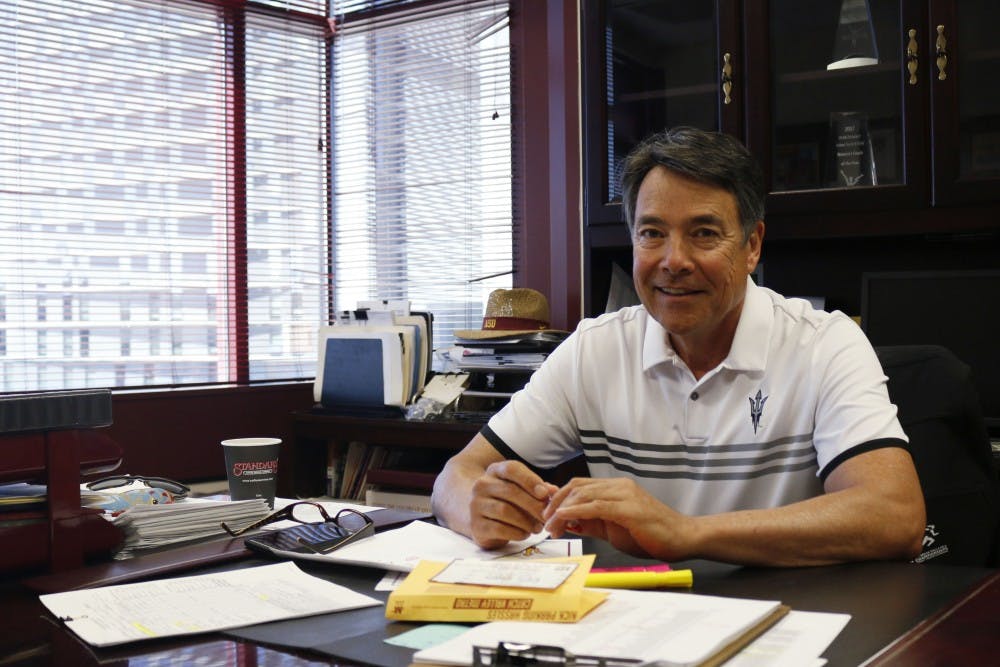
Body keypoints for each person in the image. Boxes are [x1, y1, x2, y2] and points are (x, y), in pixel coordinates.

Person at [431, 126, 925, 566]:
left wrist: (685, 533)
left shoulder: (825, 343)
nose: (674, 260)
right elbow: (454, 476)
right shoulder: (594, 350)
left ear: (752, 245)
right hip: (639, 620)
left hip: (788, 621)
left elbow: (893, 514)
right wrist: (479, 506)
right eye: (652, 233)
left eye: (704, 234)